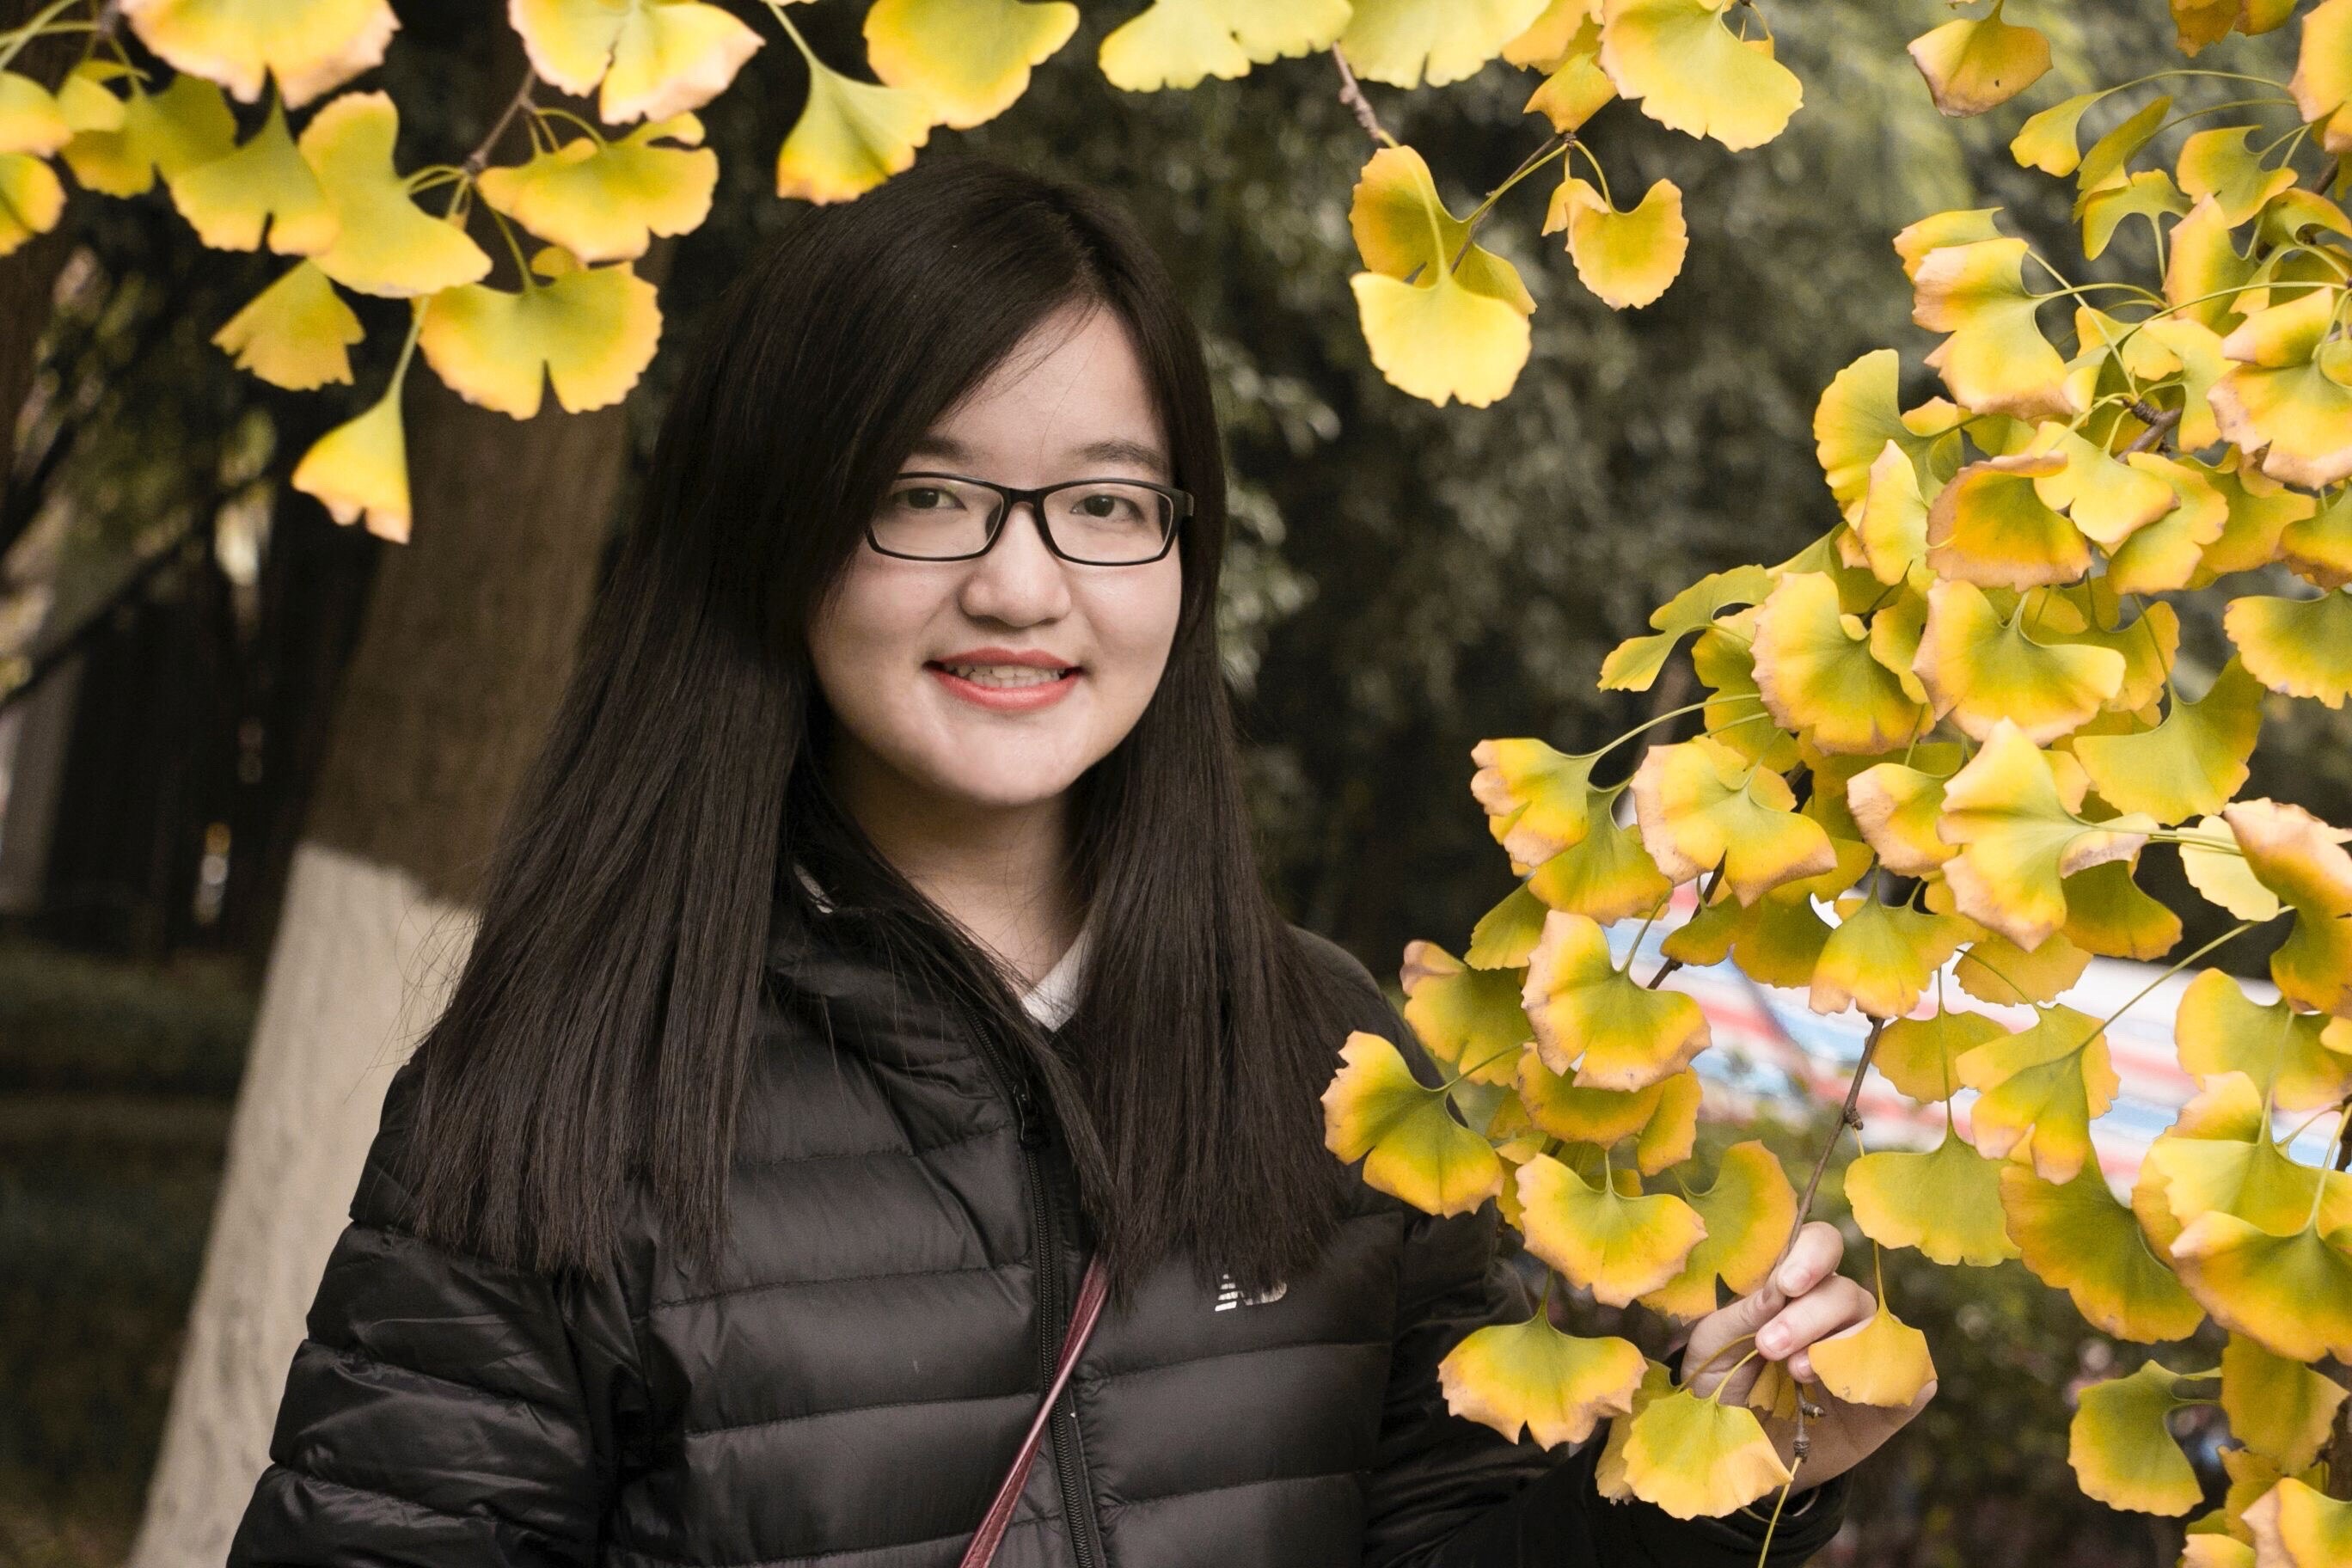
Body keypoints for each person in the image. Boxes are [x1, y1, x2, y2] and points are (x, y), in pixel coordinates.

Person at [227, 151, 1926, 1568]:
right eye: (928, 493)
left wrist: (1732, 1467)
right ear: (780, 529)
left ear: (1183, 555)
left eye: (1108, 503)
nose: (1025, 589)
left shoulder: (1332, 1065)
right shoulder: (562, 1098)